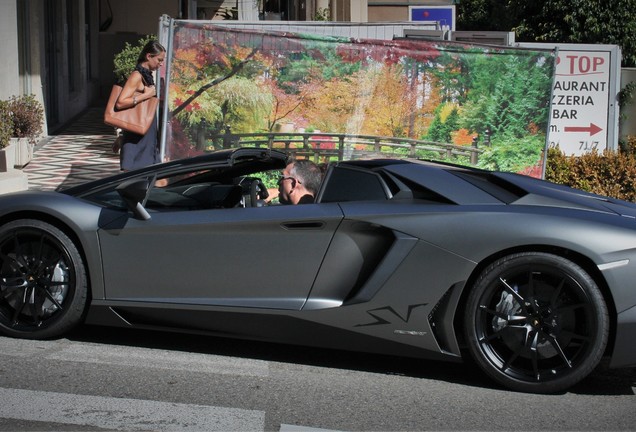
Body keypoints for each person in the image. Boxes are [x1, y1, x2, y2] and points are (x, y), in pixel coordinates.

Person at [116, 40, 166, 171]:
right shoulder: (136, 75)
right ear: (149, 56)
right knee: (135, 180)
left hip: (145, 135)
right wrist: (145, 95)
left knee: (150, 175)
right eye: (159, 60)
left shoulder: (146, 76)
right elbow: (121, 102)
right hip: (137, 138)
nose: (161, 63)